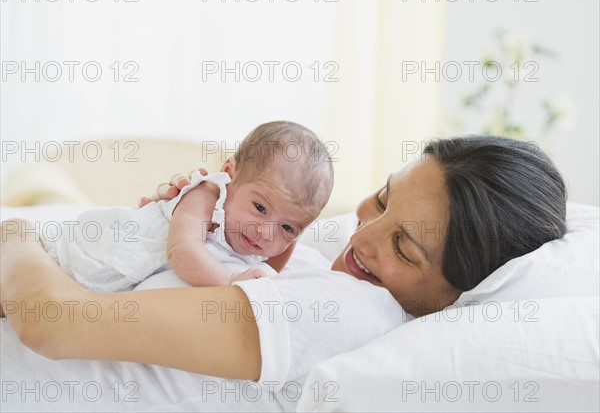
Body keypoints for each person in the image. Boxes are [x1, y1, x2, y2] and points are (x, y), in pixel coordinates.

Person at [0, 136, 566, 394]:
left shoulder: (351, 312)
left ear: (460, 291)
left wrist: (20, 237)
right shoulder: (331, 271)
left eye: (403, 248)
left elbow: (53, 323)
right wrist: (183, 218)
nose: (361, 235)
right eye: (384, 199)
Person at [22, 121, 335, 294]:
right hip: (109, 251)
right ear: (230, 174)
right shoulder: (207, 194)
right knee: (30, 284)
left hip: (132, 278)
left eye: (288, 228)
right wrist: (229, 281)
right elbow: (182, 252)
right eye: (259, 207)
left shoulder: (272, 235)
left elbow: (276, 257)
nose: (266, 233)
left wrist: (267, 272)